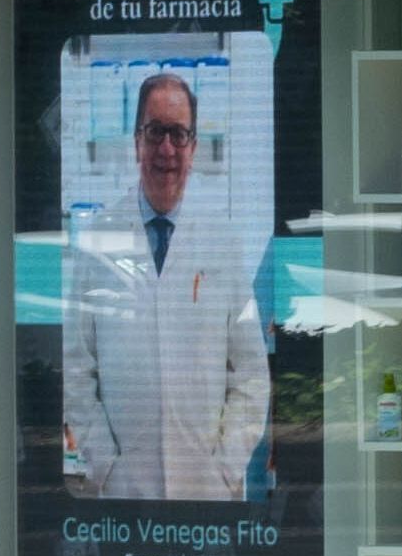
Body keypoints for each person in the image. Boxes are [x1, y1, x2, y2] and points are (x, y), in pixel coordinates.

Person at [65, 66, 270, 505]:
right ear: (136, 141)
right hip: (126, 491)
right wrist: (106, 466)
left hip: (206, 491)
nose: (166, 149)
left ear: (194, 148)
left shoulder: (221, 242)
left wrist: (224, 468)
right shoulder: (100, 241)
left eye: (178, 135)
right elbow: (76, 371)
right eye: (155, 132)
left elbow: (252, 373)